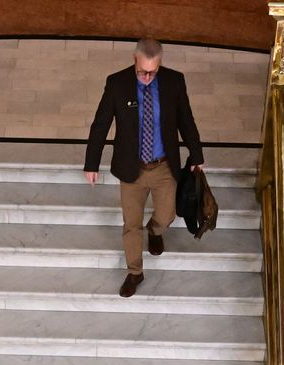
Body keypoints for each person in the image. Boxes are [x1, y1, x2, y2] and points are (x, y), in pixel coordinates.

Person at [84, 37, 205, 299]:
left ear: (160, 64)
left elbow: (186, 119)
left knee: (167, 215)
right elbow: (100, 124)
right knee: (131, 224)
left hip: (163, 166)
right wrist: (91, 163)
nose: (147, 78)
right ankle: (135, 272)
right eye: (142, 72)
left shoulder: (174, 82)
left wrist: (197, 154)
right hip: (131, 168)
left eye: (153, 71)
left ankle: (155, 231)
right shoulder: (117, 84)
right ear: (134, 60)